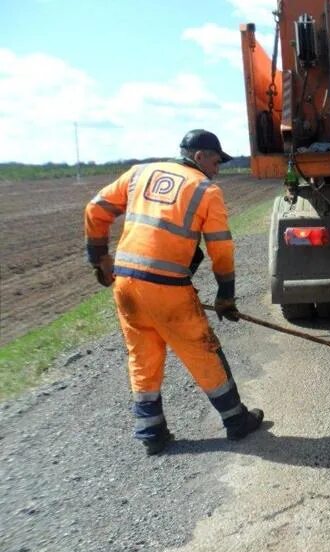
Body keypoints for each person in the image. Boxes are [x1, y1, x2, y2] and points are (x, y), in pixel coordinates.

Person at [84, 129, 264, 455]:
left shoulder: (139, 173)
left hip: (126, 286)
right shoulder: (206, 190)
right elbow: (220, 248)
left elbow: (95, 210)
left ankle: (151, 433)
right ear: (198, 157)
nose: (218, 167)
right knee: (202, 350)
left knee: (142, 356)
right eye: (215, 160)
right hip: (166, 289)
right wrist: (226, 294)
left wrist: (100, 260)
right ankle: (236, 421)